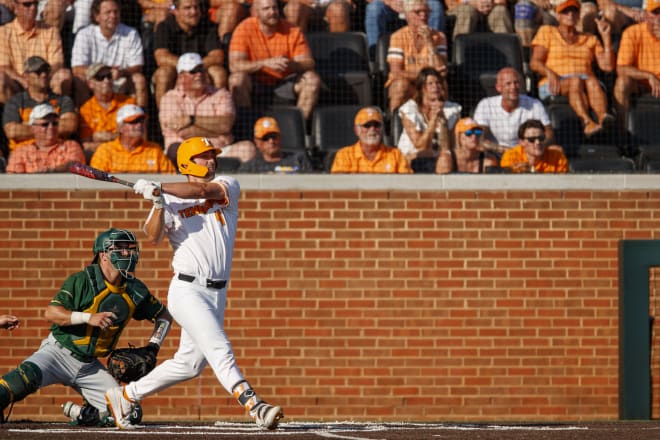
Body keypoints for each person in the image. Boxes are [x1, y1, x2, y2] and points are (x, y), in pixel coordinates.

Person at [104, 137, 284, 430]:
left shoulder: (227, 184)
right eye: (204, 157)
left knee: (189, 364)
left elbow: (201, 190)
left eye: (212, 156)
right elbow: (152, 236)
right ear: (188, 162)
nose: (211, 161)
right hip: (187, 290)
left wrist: (159, 187)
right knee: (219, 347)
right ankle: (254, 405)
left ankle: (125, 394)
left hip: (217, 292)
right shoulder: (171, 199)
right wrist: (158, 202)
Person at [0, 228, 173, 427]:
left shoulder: (136, 290)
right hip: (57, 352)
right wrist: (87, 317)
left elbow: (164, 316)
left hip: (90, 366)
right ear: (103, 254)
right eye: (120, 248)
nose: (127, 253)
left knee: (129, 413)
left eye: (130, 248)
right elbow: (51, 313)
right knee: (16, 383)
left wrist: (153, 346)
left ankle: (81, 413)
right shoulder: (82, 280)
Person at [530, 0, 615, 137]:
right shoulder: (547, 32)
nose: (570, 14)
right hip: (555, 82)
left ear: (579, 15)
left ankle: (603, 118)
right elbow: (535, 63)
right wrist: (549, 73)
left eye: (574, 11)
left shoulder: (590, 38)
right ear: (557, 16)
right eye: (565, 11)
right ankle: (587, 123)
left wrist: (606, 38)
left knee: (592, 80)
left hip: (585, 80)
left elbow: (608, 66)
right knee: (576, 80)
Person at [228, 0, 321, 120]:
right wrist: (264, 64)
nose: (272, 12)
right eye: (266, 9)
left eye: (274, 8)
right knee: (236, 79)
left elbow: (309, 63)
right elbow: (234, 65)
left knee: (312, 80)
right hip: (256, 81)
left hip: (285, 81)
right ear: (256, 12)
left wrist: (291, 65)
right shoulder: (244, 29)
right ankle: (246, 127)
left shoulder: (292, 30)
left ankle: (298, 125)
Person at [160, 52, 257, 165]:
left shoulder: (221, 94)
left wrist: (192, 120)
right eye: (193, 71)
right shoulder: (169, 98)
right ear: (181, 77)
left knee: (248, 149)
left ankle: (210, 163)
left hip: (218, 151)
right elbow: (181, 132)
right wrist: (214, 129)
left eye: (201, 70)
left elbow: (225, 125)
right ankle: (211, 165)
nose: (199, 74)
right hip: (186, 152)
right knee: (176, 150)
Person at [70, 0, 148, 108]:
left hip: (120, 81)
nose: (113, 16)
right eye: (108, 12)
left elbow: (138, 66)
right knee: (78, 80)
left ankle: (139, 119)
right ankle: (84, 120)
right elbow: (76, 68)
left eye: (116, 12)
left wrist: (121, 72)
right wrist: (101, 75)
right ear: (97, 16)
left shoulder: (131, 33)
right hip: (94, 83)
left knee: (139, 79)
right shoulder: (84, 34)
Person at [152, 0, 226, 107]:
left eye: (196, 7)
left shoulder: (208, 26)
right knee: (163, 74)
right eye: (187, 8)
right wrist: (186, 70)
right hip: (176, 70)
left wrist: (195, 70)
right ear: (176, 11)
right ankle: (164, 118)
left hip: (202, 71)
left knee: (219, 73)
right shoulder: (164, 27)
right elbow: (161, 57)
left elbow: (218, 56)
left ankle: (219, 115)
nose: (193, 12)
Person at [0, 0, 72, 103]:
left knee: (64, 75)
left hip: (45, 81)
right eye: (27, 4)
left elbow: (57, 63)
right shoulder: (3, 32)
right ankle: (13, 115)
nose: (33, 8)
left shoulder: (51, 31)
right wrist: (25, 81)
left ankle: (54, 113)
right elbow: (4, 67)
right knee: (0, 78)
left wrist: (41, 78)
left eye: (35, 4)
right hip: (18, 84)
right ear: (15, 8)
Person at [2, 56, 77, 152]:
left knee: (77, 161)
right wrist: (52, 126)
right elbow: (12, 131)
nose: (44, 74)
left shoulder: (63, 100)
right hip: (25, 154)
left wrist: (28, 125)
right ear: (26, 76)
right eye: (38, 72)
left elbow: (69, 126)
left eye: (46, 70)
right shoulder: (15, 102)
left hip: (57, 152)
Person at [473, 67, 555, 155]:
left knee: (556, 150)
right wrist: (504, 151)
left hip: (527, 153)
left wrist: (533, 147)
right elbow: (479, 137)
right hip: (495, 154)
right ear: (498, 87)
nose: (513, 87)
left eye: (516, 83)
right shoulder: (486, 105)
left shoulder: (535, 104)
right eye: (508, 84)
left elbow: (549, 133)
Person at [385, 0, 448, 112]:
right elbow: (396, 72)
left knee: (439, 86)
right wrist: (423, 76)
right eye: (418, 12)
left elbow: (441, 71)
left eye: (426, 11)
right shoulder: (397, 37)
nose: (423, 15)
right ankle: (392, 123)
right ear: (407, 14)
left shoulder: (439, 37)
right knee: (400, 85)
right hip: (409, 84)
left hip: (430, 84)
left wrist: (430, 42)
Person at [397, 67, 461, 161]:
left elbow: (447, 146)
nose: (435, 86)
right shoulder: (409, 109)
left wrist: (442, 119)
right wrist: (433, 120)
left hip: (439, 158)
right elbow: (420, 146)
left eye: (438, 82)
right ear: (422, 88)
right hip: (411, 157)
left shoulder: (452, 110)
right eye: (430, 83)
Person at [90, 104, 177, 173]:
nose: (139, 125)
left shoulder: (155, 150)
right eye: (133, 122)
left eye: (141, 121)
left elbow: (171, 179)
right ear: (120, 127)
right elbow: (93, 184)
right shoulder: (105, 151)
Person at [613, 0, 660, 128]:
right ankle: (622, 134)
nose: (659, 17)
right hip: (641, 85)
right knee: (622, 83)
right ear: (645, 14)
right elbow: (621, 69)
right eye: (655, 13)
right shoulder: (632, 32)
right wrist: (648, 76)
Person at [78, 63, 137, 159]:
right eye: (100, 78)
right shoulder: (85, 109)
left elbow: (135, 138)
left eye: (109, 76)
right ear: (90, 84)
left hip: (127, 154)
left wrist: (105, 137)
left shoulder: (128, 103)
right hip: (99, 156)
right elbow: (86, 145)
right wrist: (117, 137)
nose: (106, 80)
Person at [6, 103, 85, 173]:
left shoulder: (71, 146)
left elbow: (76, 166)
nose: (51, 127)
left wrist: (52, 172)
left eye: (55, 123)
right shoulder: (20, 152)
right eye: (45, 124)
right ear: (33, 128)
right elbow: (14, 181)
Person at [331, 106, 412, 173]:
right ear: (356, 130)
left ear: (381, 129)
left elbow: (407, 186)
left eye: (376, 125)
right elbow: (339, 189)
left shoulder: (396, 156)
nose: (372, 129)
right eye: (367, 125)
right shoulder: (344, 156)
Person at [364, 0, 445, 59]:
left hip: (417, 3)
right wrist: (389, 1)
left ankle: (435, 54)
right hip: (388, 7)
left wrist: (414, 3)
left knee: (435, 6)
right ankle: (375, 60)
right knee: (374, 8)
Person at [238, 116, 313, 173]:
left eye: (274, 136)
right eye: (265, 138)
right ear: (257, 142)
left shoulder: (299, 160)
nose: (271, 141)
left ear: (280, 138)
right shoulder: (249, 168)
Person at [500, 119, 569, 173]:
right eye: (532, 139)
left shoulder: (557, 157)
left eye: (541, 138)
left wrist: (531, 172)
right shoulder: (511, 156)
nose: (538, 142)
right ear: (522, 142)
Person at [445, 0, 513, 41]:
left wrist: (490, 3)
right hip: (462, 7)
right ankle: (461, 56)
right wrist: (473, 3)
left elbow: (502, 1)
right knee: (467, 11)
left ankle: (507, 58)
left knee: (500, 11)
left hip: (491, 8)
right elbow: (451, 4)